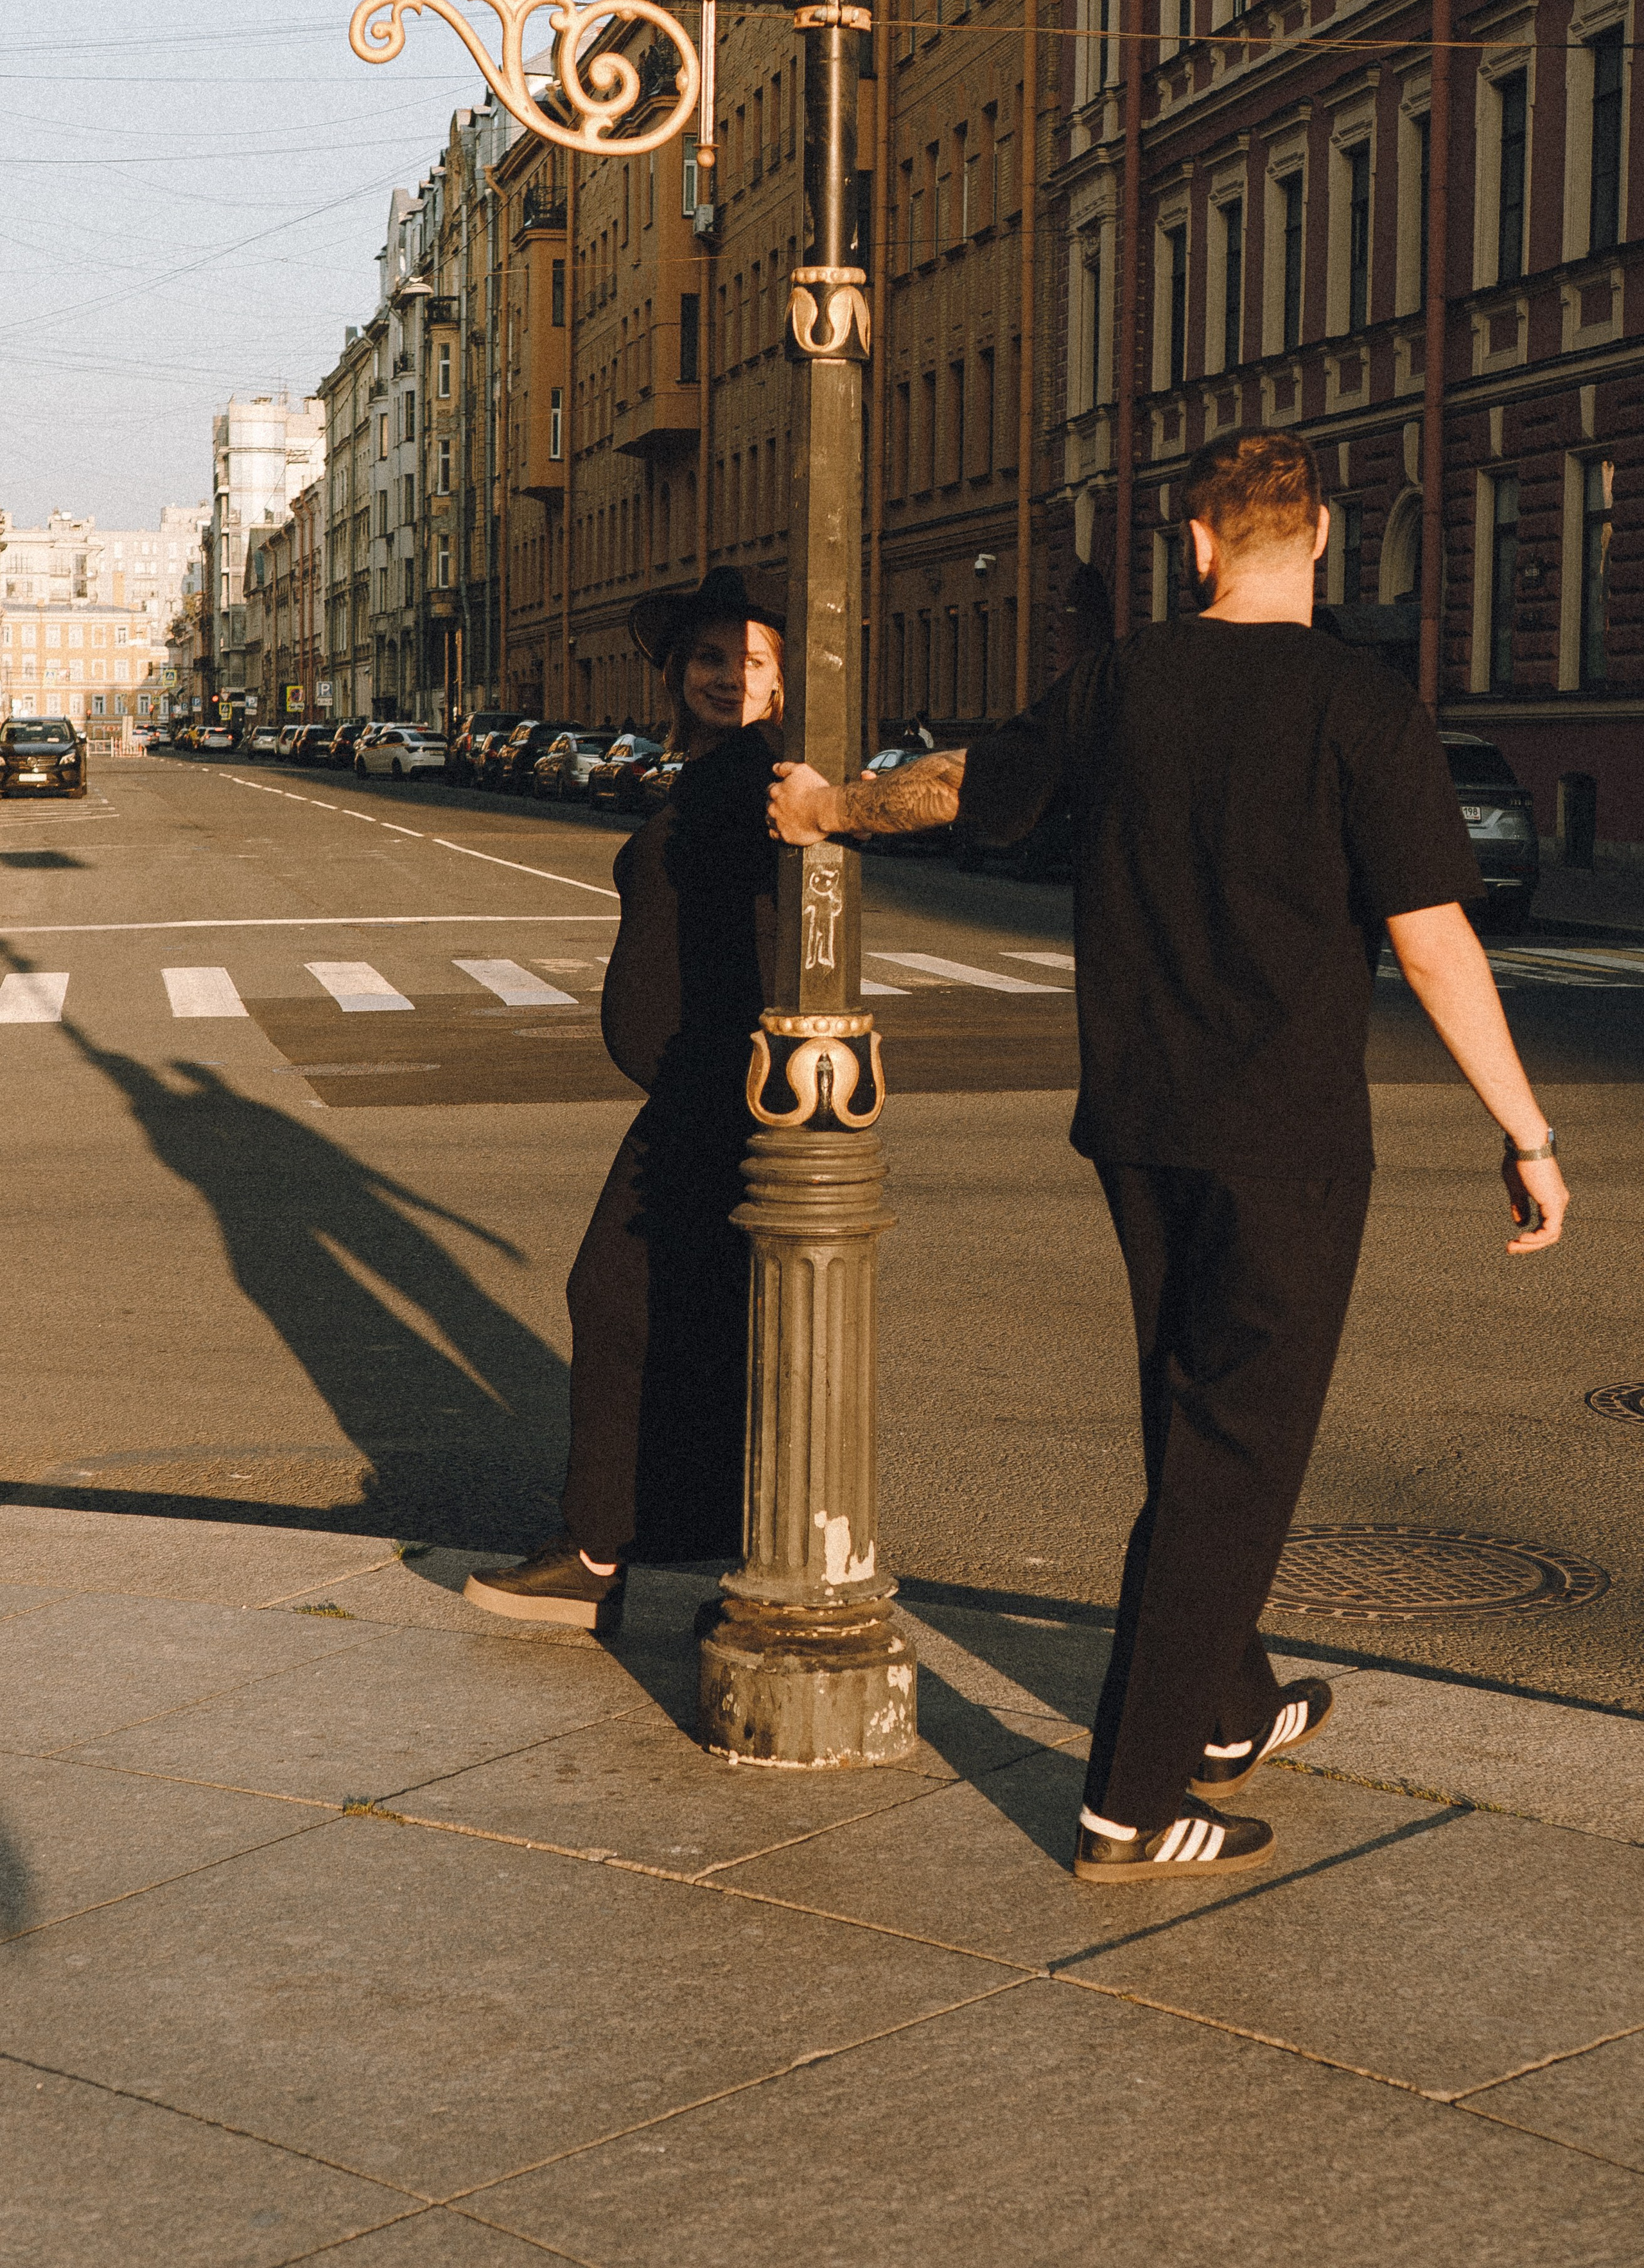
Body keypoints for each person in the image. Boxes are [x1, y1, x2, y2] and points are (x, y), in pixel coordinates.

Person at [767, 428, 1568, 1883]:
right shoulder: (1359, 703)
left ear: (1194, 545)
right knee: (1233, 1454)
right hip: (1286, 1134)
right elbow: (1431, 934)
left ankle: (1225, 1707)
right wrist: (1520, 1127)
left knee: (1189, 1420)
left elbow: (965, 786)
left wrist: (829, 809)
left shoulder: (1125, 680)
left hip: (1138, 1123)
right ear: (1316, 540)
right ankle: (1130, 1804)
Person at [465, 569, 784, 1631]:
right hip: (705, 1092)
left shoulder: (763, 780)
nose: (726, 678)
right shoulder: (714, 777)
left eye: (751, 661)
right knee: (688, 1323)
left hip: (726, 1096)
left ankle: (605, 1553)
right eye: (707, 659)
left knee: (621, 1300)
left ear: (785, 682)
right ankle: (676, 1553)